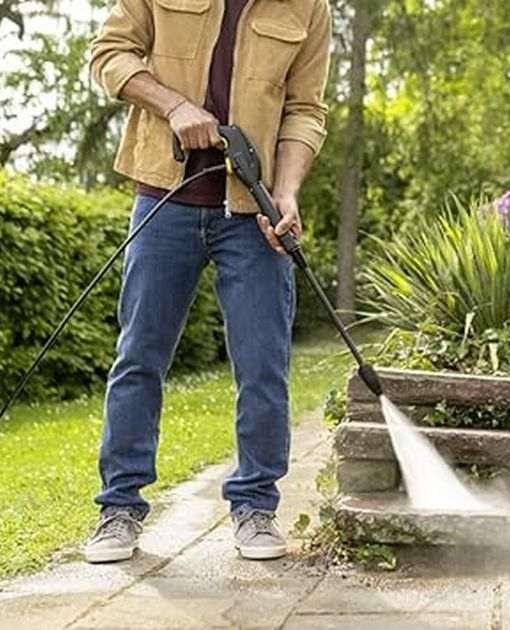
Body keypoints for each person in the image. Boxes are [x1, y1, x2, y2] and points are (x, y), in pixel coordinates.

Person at [83, 0, 331, 563]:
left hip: (254, 208)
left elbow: (305, 109)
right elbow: (110, 53)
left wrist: (287, 191)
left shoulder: (307, 7)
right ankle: (118, 508)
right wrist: (174, 107)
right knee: (140, 356)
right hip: (163, 199)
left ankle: (255, 507)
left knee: (263, 365)